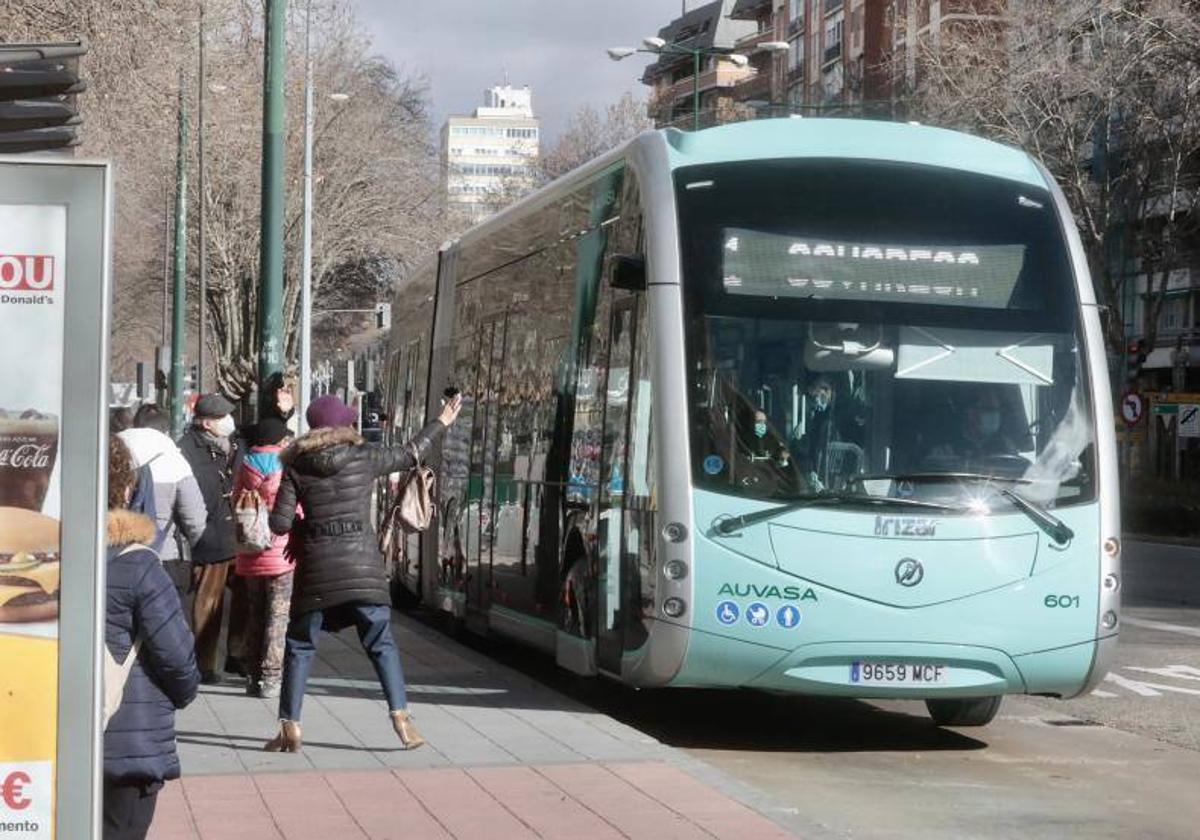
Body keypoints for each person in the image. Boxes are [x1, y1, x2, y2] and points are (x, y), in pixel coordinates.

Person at [263, 392, 462, 753]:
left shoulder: (295, 466)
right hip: (362, 568)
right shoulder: (363, 457)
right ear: (343, 425)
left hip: (318, 571)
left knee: (300, 646)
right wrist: (441, 422)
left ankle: (290, 725)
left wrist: (307, 528)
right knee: (381, 643)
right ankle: (401, 719)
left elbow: (278, 524)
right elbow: (411, 452)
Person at [104, 435, 200, 840]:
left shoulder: (36, 553)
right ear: (128, 489)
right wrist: (185, 692)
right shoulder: (140, 565)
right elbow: (176, 658)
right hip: (127, 740)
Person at [176, 393, 244, 684]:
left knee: (244, 598)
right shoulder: (187, 450)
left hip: (235, 534)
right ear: (206, 423)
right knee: (209, 602)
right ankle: (204, 665)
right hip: (210, 536)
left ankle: (237, 655)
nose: (228, 422)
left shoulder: (230, 446)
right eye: (220, 418)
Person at [119, 404, 207, 604]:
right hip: (162, 556)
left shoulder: (111, 451)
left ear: (136, 424)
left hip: (115, 555)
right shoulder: (174, 459)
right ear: (165, 430)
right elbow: (195, 519)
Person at [232, 417, 295, 699]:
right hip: (280, 554)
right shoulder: (286, 467)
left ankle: (252, 674)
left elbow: (235, 503)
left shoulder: (244, 466)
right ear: (280, 440)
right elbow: (297, 510)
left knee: (255, 614)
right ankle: (271, 677)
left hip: (251, 553)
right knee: (278, 616)